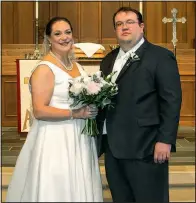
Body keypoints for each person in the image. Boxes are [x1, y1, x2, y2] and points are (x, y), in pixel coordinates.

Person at [6, 17, 103, 202]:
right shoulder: (45, 68)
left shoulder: (76, 66)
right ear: (48, 39)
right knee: (58, 185)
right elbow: (40, 110)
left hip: (79, 137)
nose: (64, 37)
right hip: (56, 138)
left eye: (68, 32)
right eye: (57, 34)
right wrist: (75, 113)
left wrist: (93, 105)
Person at [97, 7, 182, 202]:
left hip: (146, 146)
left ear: (141, 26)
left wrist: (166, 140)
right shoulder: (108, 60)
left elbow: (171, 100)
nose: (124, 27)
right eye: (119, 24)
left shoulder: (160, 57)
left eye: (129, 22)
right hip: (113, 148)